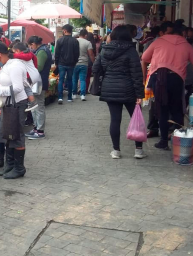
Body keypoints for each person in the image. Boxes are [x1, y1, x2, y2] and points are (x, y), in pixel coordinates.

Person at [92, 25, 146, 159]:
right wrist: (140, 94)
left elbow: (95, 68)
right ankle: (138, 150)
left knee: (115, 120)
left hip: (110, 88)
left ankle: (116, 151)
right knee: (136, 118)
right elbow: (136, 74)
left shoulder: (104, 50)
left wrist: (107, 75)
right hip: (129, 90)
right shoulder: (131, 50)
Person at [142, 21, 193, 150]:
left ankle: (163, 141)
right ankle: (179, 140)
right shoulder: (186, 45)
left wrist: (159, 60)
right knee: (177, 109)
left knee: (162, 110)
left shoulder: (159, 41)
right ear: (182, 33)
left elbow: (145, 57)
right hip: (177, 79)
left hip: (159, 78)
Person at [0, 41, 28, 179]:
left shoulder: (15, 65)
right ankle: (9, 165)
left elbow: (18, 88)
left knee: (16, 136)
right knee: (8, 135)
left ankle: (19, 168)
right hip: (8, 105)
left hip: (17, 105)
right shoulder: (5, 66)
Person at [25, 37, 52, 139]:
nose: (30, 48)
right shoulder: (41, 50)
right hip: (37, 81)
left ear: (34, 44)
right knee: (34, 106)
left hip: (39, 82)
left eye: (30, 45)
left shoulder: (42, 52)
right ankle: (36, 128)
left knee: (39, 106)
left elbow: (38, 67)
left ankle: (40, 130)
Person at [11, 42, 40, 111]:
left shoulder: (26, 55)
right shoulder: (31, 54)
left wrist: (11, 56)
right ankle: (31, 102)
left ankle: (32, 102)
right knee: (28, 88)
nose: (14, 53)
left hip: (30, 76)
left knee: (27, 88)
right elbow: (35, 63)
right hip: (35, 74)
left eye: (14, 52)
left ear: (17, 50)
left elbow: (24, 57)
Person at [55, 24, 80, 104]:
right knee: (70, 80)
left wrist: (56, 63)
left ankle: (60, 97)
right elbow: (77, 53)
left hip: (61, 63)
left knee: (61, 80)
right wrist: (75, 61)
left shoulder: (59, 40)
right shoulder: (75, 41)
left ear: (65, 31)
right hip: (71, 64)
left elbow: (57, 53)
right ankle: (69, 97)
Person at [73, 29, 95, 101]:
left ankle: (74, 94)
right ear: (85, 35)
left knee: (74, 79)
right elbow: (91, 54)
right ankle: (82, 95)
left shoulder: (74, 41)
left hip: (74, 63)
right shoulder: (88, 42)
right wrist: (94, 62)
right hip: (84, 63)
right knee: (82, 80)